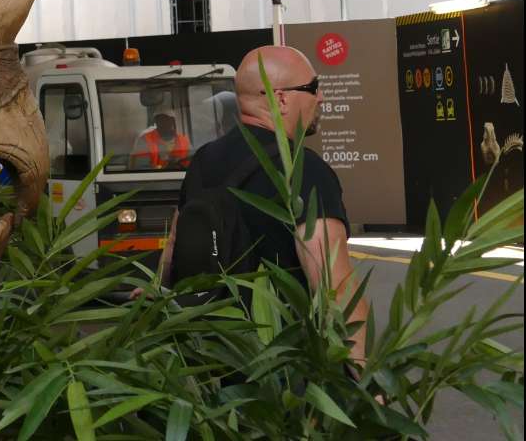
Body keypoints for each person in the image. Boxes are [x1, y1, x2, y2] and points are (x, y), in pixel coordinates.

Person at [146, 45, 371, 370]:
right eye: (312, 88)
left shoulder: (203, 161)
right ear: (280, 98)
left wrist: (155, 301)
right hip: (278, 375)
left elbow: (172, 251)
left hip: (207, 364)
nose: (320, 98)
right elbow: (335, 288)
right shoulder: (304, 170)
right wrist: (363, 381)